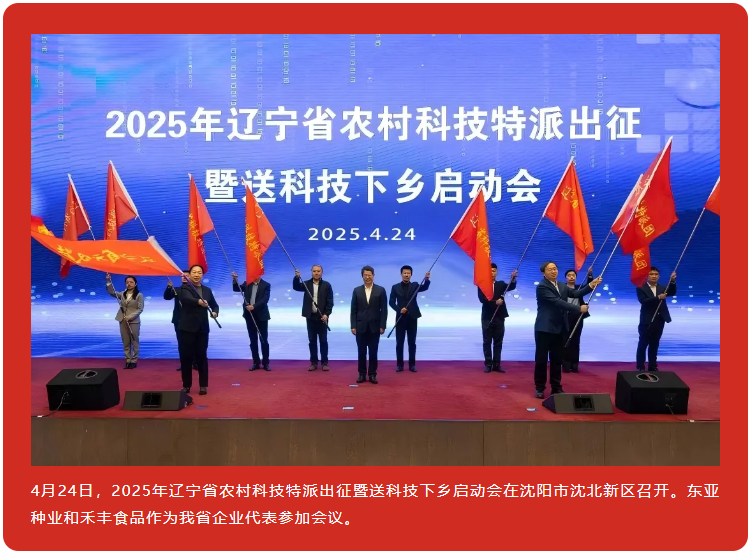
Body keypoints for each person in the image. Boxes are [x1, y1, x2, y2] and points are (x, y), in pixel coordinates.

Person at [534, 261, 602, 399]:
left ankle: (556, 387)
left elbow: (576, 293)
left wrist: (591, 285)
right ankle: (540, 388)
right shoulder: (542, 286)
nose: (554, 271)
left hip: (560, 328)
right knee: (541, 360)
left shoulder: (561, 285)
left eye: (555, 268)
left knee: (557, 360)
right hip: (544, 328)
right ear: (543, 273)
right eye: (550, 269)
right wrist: (578, 308)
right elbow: (557, 302)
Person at [176, 264, 219, 395]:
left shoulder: (207, 290)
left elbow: (215, 305)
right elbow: (186, 299)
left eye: (199, 272)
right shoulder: (184, 288)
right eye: (194, 272)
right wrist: (199, 302)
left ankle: (203, 385)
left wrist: (215, 312)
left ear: (202, 275)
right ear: (189, 275)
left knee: (202, 357)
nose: (196, 275)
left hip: (202, 329)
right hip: (186, 329)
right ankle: (186, 385)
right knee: (186, 358)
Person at [389, 266, 431, 373]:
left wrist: (426, 279)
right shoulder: (395, 287)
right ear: (401, 274)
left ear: (411, 274)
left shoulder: (415, 285)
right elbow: (391, 302)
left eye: (408, 273)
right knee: (399, 343)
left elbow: (425, 287)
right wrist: (399, 310)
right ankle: (399, 365)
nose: (406, 275)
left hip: (412, 318)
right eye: (404, 273)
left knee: (412, 343)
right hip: (400, 318)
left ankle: (412, 365)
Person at [350, 265, 388, 384]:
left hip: (375, 327)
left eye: (369, 275)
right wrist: (353, 326)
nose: (367, 277)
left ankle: (372, 374)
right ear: (362, 276)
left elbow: (384, 310)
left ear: (373, 276)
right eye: (365, 275)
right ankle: (361, 374)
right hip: (360, 327)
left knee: (373, 352)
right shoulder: (357, 290)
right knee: (361, 352)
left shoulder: (380, 290)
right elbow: (353, 310)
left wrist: (382, 325)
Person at [478, 264, 518, 373]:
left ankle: (497, 364)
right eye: (490, 271)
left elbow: (511, 287)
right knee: (487, 342)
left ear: (496, 272)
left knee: (498, 342)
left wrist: (513, 278)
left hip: (499, 316)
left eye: (494, 271)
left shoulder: (500, 284)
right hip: (487, 317)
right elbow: (482, 299)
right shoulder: (482, 285)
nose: (492, 273)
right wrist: (495, 303)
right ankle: (488, 364)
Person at [293, 265, 334, 372]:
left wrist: (326, 314)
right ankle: (313, 362)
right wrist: (297, 277)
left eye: (318, 271)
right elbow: (296, 287)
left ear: (322, 272)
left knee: (323, 341)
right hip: (310, 316)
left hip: (322, 317)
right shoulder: (306, 284)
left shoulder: (327, 285)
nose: (316, 273)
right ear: (311, 272)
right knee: (312, 341)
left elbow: (330, 302)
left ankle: (324, 363)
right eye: (314, 271)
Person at [636, 267, 677, 372]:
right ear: (647, 276)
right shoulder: (641, 288)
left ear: (659, 276)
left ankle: (652, 366)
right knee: (643, 344)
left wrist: (672, 281)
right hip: (647, 320)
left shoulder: (662, 288)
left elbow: (672, 292)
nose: (654, 276)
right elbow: (643, 301)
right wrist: (658, 298)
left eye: (656, 274)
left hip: (660, 319)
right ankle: (640, 367)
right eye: (651, 274)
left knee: (655, 344)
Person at [232, 271, 271, 371]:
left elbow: (265, 300)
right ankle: (256, 362)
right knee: (253, 340)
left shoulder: (266, 285)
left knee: (263, 340)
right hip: (249, 316)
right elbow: (237, 289)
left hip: (262, 316)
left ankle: (266, 363)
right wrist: (235, 280)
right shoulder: (247, 283)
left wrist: (254, 306)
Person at [106, 274, 144, 369]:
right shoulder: (122, 294)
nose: (129, 284)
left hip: (134, 321)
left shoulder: (139, 295)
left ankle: (134, 361)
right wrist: (108, 281)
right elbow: (112, 292)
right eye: (127, 282)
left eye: (131, 282)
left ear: (135, 284)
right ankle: (128, 360)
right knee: (125, 341)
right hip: (122, 320)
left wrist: (130, 316)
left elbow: (140, 309)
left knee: (134, 341)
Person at [562, 268, 594, 374]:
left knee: (576, 341)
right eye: (569, 275)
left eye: (573, 275)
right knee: (565, 341)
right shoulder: (562, 288)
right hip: (565, 317)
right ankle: (566, 366)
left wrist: (589, 275)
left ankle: (574, 366)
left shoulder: (579, 288)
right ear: (566, 277)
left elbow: (589, 287)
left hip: (578, 317)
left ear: (576, 277)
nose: (571, 277)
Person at [165, 273, 195, 371]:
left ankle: (194, 363)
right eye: (182, 276)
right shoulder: (176, 290)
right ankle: (184, 364)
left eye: (187, 276)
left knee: (193, 342)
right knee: (182, 343)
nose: (184, 277)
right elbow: (167, 297)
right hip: (179, 320)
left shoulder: (196, 290)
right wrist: (169, 287)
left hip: (192, 320)